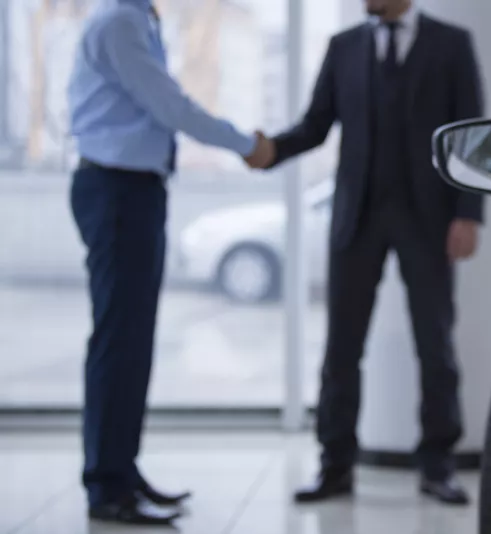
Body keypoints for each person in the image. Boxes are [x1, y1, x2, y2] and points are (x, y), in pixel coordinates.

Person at [261, 0, 485, 506]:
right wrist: (270, 150)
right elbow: (315, 125)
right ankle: (335, 466)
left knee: (436, 348)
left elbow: (471, 135)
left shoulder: (452, 44)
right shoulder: (344, 48)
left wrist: (468, 214)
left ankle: (437, 465)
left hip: (428, 221)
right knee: (341, 349)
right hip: (357, 218)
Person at [67, 0, 273, 526]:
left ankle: (120, 469)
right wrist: (246, 144)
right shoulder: (119, 21)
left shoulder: (137, 18)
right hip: (116, 190)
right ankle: (107, 485)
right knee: (119, 339)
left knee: (131, 338)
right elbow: (170, 106)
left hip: (132, 189)